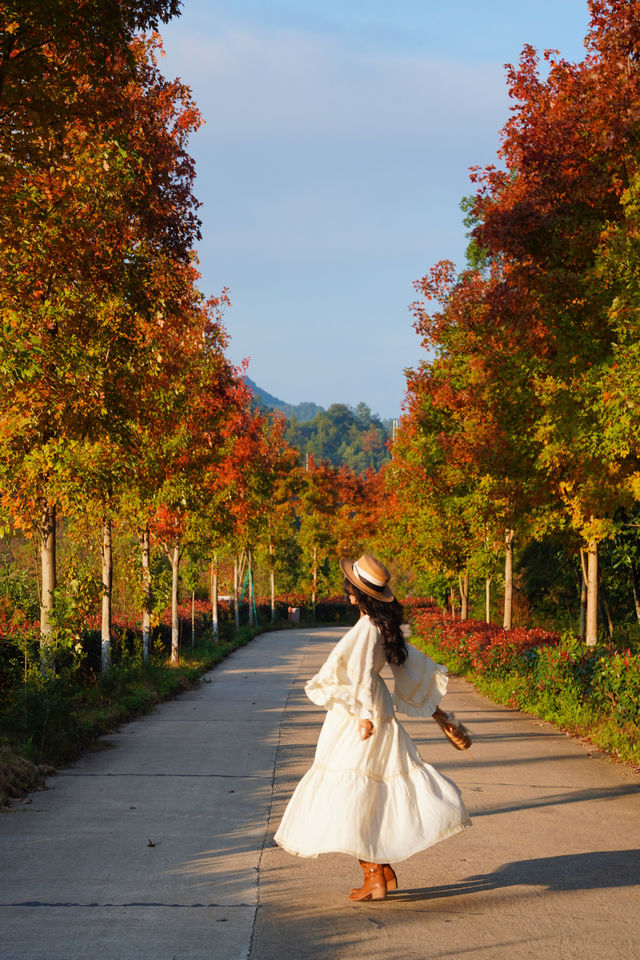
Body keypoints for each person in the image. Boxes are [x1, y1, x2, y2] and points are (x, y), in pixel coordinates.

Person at [274, 553, 471, 901]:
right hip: (373, 708)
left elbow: (363, 673)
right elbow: (411, 671)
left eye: (351, 587)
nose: (348, 592)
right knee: (370, 788)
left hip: (359, 713)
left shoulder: (367, 628)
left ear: (360, 594)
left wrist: (363, 715)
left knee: (351, 793)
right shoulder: (383, 626)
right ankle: (381, 871)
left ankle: (374, 877)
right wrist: (441, 715)